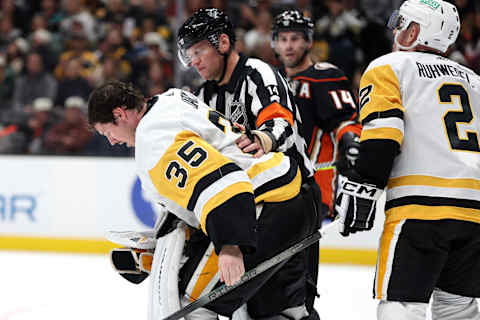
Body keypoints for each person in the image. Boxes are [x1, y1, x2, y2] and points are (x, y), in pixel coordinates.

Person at [87, 80, 320, 320]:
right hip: (291, 191)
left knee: (193, 304)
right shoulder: (172, 99)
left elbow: (222, 182)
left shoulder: (153, 140)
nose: (111, 141)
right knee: (276, 310)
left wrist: (230, 245)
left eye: (107, 132)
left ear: (119, 114)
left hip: (266, 205)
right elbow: (198, 192)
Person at [333, 1, 480, 319]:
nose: (396, 29)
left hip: (419, 211)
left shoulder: (389, 66)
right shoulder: (475, 81)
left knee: (402, 307)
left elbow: (384, 136)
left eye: (402, 23)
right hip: (474, 213)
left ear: (415, 31)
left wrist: (363, 187)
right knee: (459, 310)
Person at [177, 9, 322, 317]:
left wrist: (262, 138)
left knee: (284, 308)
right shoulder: (204, 95)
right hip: (250, 204)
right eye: (189, 55)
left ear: (224, 42)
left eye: (199, 51)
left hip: (290, 199)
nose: (194, 62)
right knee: (253, 307)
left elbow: (281, 122)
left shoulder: (257, 72)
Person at [271, 9, 362, 219]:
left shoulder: (325, 76)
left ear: (309, 42)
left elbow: (348, 123)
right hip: (278, 189)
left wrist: (352, 142)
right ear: (274, 43)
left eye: (295, 38)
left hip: (317, 192)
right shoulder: (270, 81)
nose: (289, 45)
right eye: (283, 39)